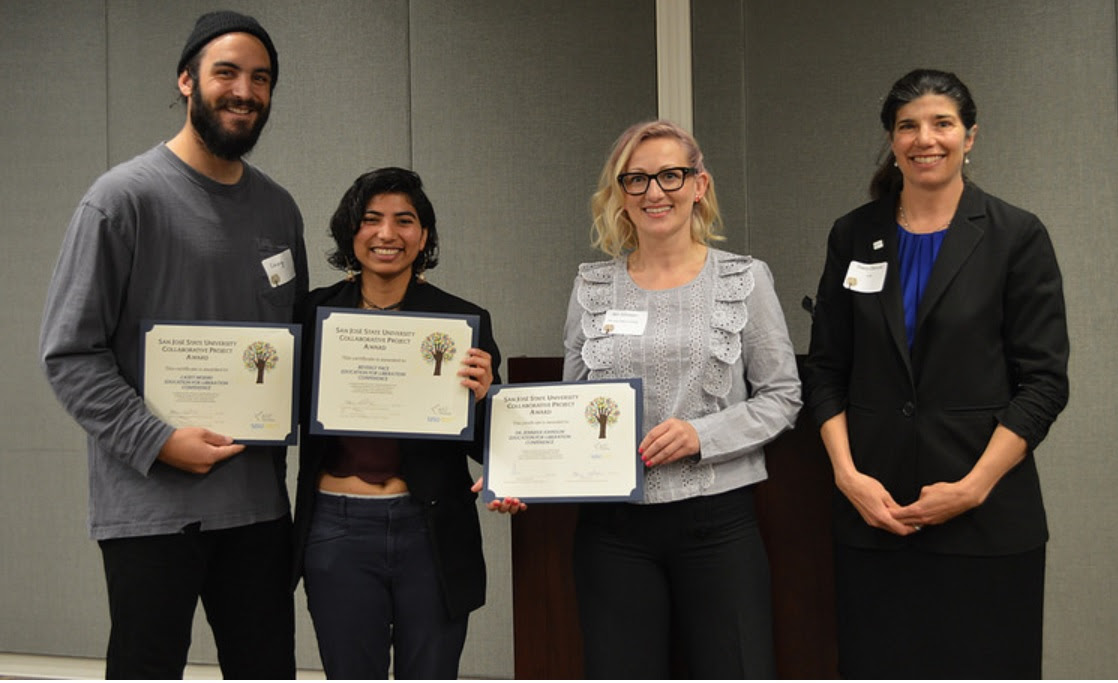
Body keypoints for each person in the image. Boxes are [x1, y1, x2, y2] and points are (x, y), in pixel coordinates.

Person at [38, 10, 306, 680]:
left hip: (257, 506)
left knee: (267, 667)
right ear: (187, 80)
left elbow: (295, 347)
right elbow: (70, 354)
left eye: (261, 78)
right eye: (226, 72)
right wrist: (158, 439)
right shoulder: (121, 200)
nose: (244, 90)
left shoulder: (279, 210)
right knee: (146, 667)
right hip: (152, 508)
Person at [805, 69, 1070, 678]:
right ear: (892, 141)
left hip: (986, 520)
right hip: (876, 515)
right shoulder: (854, 234)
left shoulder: (1015, 235)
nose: (926, 138)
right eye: (908, 126)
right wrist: (848, 477)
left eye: (942, 123)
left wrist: (975, 485)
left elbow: (1045, 382)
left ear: (970, 136)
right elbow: (826, 372)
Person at [562, 120, 801, 678]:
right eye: (636, 179)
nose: (654, 192)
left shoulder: (745, 278)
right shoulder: (591, 286)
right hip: (612, 531)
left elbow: (783, 396)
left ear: (700, 185)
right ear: (619, 194)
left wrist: (702, 436)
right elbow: (571, 407)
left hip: (717, 524)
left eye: (671, 175)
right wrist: (521, 471)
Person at [291, 167, 510, 679]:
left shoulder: (463, 321)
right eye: (371, 220)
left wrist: (486, 395)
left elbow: (488, 446)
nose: (387, 234)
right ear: (351, 232)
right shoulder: (312, 313)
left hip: (429, 531)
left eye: (404, 221)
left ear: (424, 236)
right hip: (336, 530)